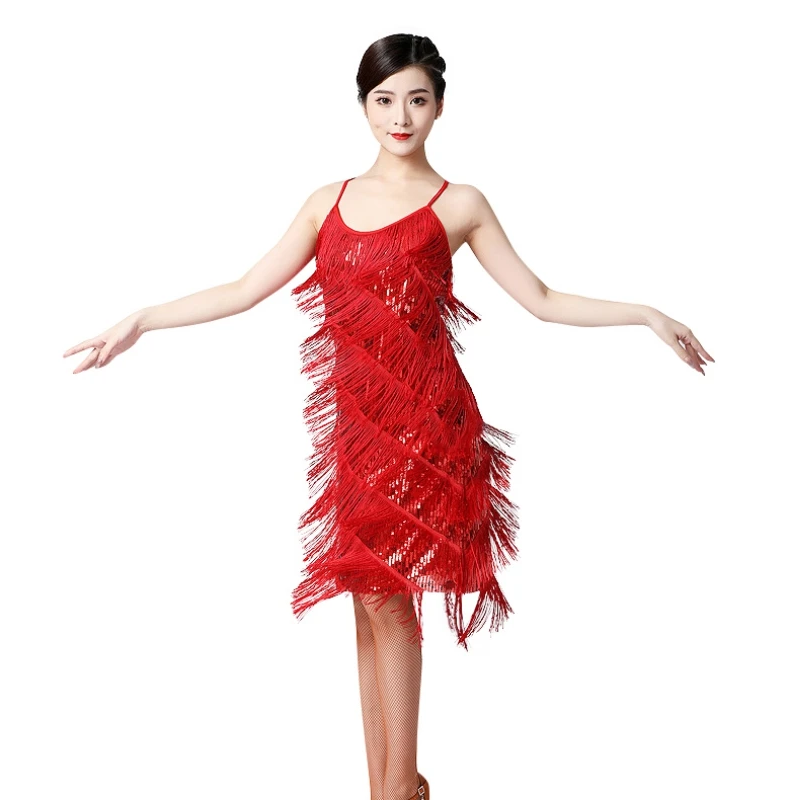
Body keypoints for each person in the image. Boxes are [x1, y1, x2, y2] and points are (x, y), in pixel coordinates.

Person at [63, 32, 714, 800]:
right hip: (356, 433)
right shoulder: (328, 201)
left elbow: (541, 299)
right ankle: (390, 788)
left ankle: (400, 789)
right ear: (363, 105)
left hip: (426, 429)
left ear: (439, 107)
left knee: (387, 601)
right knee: (369, 606)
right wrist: (141, 320)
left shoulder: (459, 204)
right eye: (384, 100)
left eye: (417, 100)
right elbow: (243, 289)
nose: (400, 117)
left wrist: (647, 314)